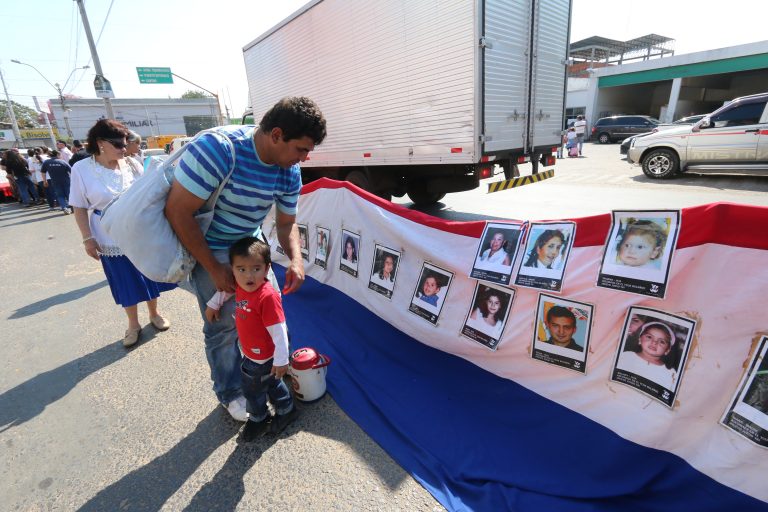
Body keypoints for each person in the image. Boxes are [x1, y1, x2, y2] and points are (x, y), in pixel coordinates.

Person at [165, 96, 326, 422]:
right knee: (223, 328)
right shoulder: (219, 151)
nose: (304, 158)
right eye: (301, 149)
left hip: (251, 246)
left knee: (270, 316)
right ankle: (230, 392)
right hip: (209, 247)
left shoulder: (289, 171)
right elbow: (178, 212)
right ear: (277, 135)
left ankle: (270, 376)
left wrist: (296, 260)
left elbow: (286, 224)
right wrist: (214, 267)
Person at [69, 119, 174, 347]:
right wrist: (87, 238)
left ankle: (154, 314)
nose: (124, 149)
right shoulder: (82, 169)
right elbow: (78, 206)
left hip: (138, 231)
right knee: (124, 279)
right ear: (100, 143)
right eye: (118, 144)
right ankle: (133, 324)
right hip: (108, 235)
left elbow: (148, 195)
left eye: (125, 143)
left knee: (148, 274)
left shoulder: (133, 164)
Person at [205, 237, 298, 440]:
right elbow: (227, 291)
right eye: (241, 269)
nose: (249, 275)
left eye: (256, 269)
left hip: (264, 357)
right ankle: (281, 410)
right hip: (250, 352)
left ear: (267, 269)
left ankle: (262, 417)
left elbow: (279, 330)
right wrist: (214, 303)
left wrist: (282, 359)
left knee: (253, 390)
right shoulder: (240, 284)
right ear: (232, 269)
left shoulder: (267, 297)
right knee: (270, 384)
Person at [618, 321, 677, 389]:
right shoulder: (626, 356)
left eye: (661, 341)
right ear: (640, 339)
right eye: (649, 337)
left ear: (667, 350)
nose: (654, 342)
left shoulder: (670, 373)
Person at [40, 149, 72, 214]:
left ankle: (64, 208)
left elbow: (43, 172)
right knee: (69, 194)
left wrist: (44, 181)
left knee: (60, 195)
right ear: (58, 155)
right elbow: (71, 171)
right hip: (66, 181)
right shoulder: (63, 162)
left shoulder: (46, 162)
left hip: (55, 181)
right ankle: (72, 208)